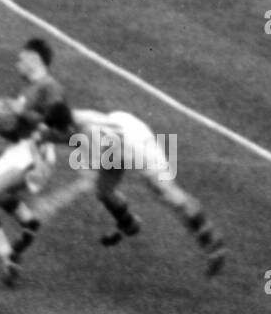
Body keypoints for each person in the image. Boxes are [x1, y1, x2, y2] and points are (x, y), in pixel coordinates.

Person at [61, 107, 227, 275]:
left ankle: (213, 243)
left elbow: (91, 163)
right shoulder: (70, 120)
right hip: (116, 139)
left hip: (136, 142)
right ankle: (129, 223)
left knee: (168, 193)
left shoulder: (88, 134)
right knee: (104, 191)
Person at [0, 38, 73, 285]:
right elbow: (20, 130)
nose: (17, 63)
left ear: (34, 59)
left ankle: (27, 219)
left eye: (20, 59)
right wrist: (1, 125)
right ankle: (9, 257)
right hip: (19, 149)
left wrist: (20, 112)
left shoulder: (50, 87)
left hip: (37, 153)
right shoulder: (27, 90)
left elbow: (67, 133)